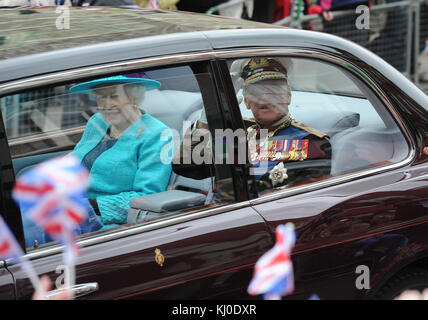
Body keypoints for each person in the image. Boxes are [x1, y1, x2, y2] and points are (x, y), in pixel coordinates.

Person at [173, 58, 332, 192]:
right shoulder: (237, 131)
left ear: (288, 96)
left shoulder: (312, 142)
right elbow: (188, 167)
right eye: (256, 91)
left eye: (274, 89)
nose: (265, 97)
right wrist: (210, 115)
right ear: (246, 101)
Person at [69, 75, 172, 229]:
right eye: (101, 97)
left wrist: (91, 206)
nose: (107, 104)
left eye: (114, 96)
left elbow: (149, 196)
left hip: (109, 223)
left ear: (134, 98)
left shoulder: (157, 134)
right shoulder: (97, 121)